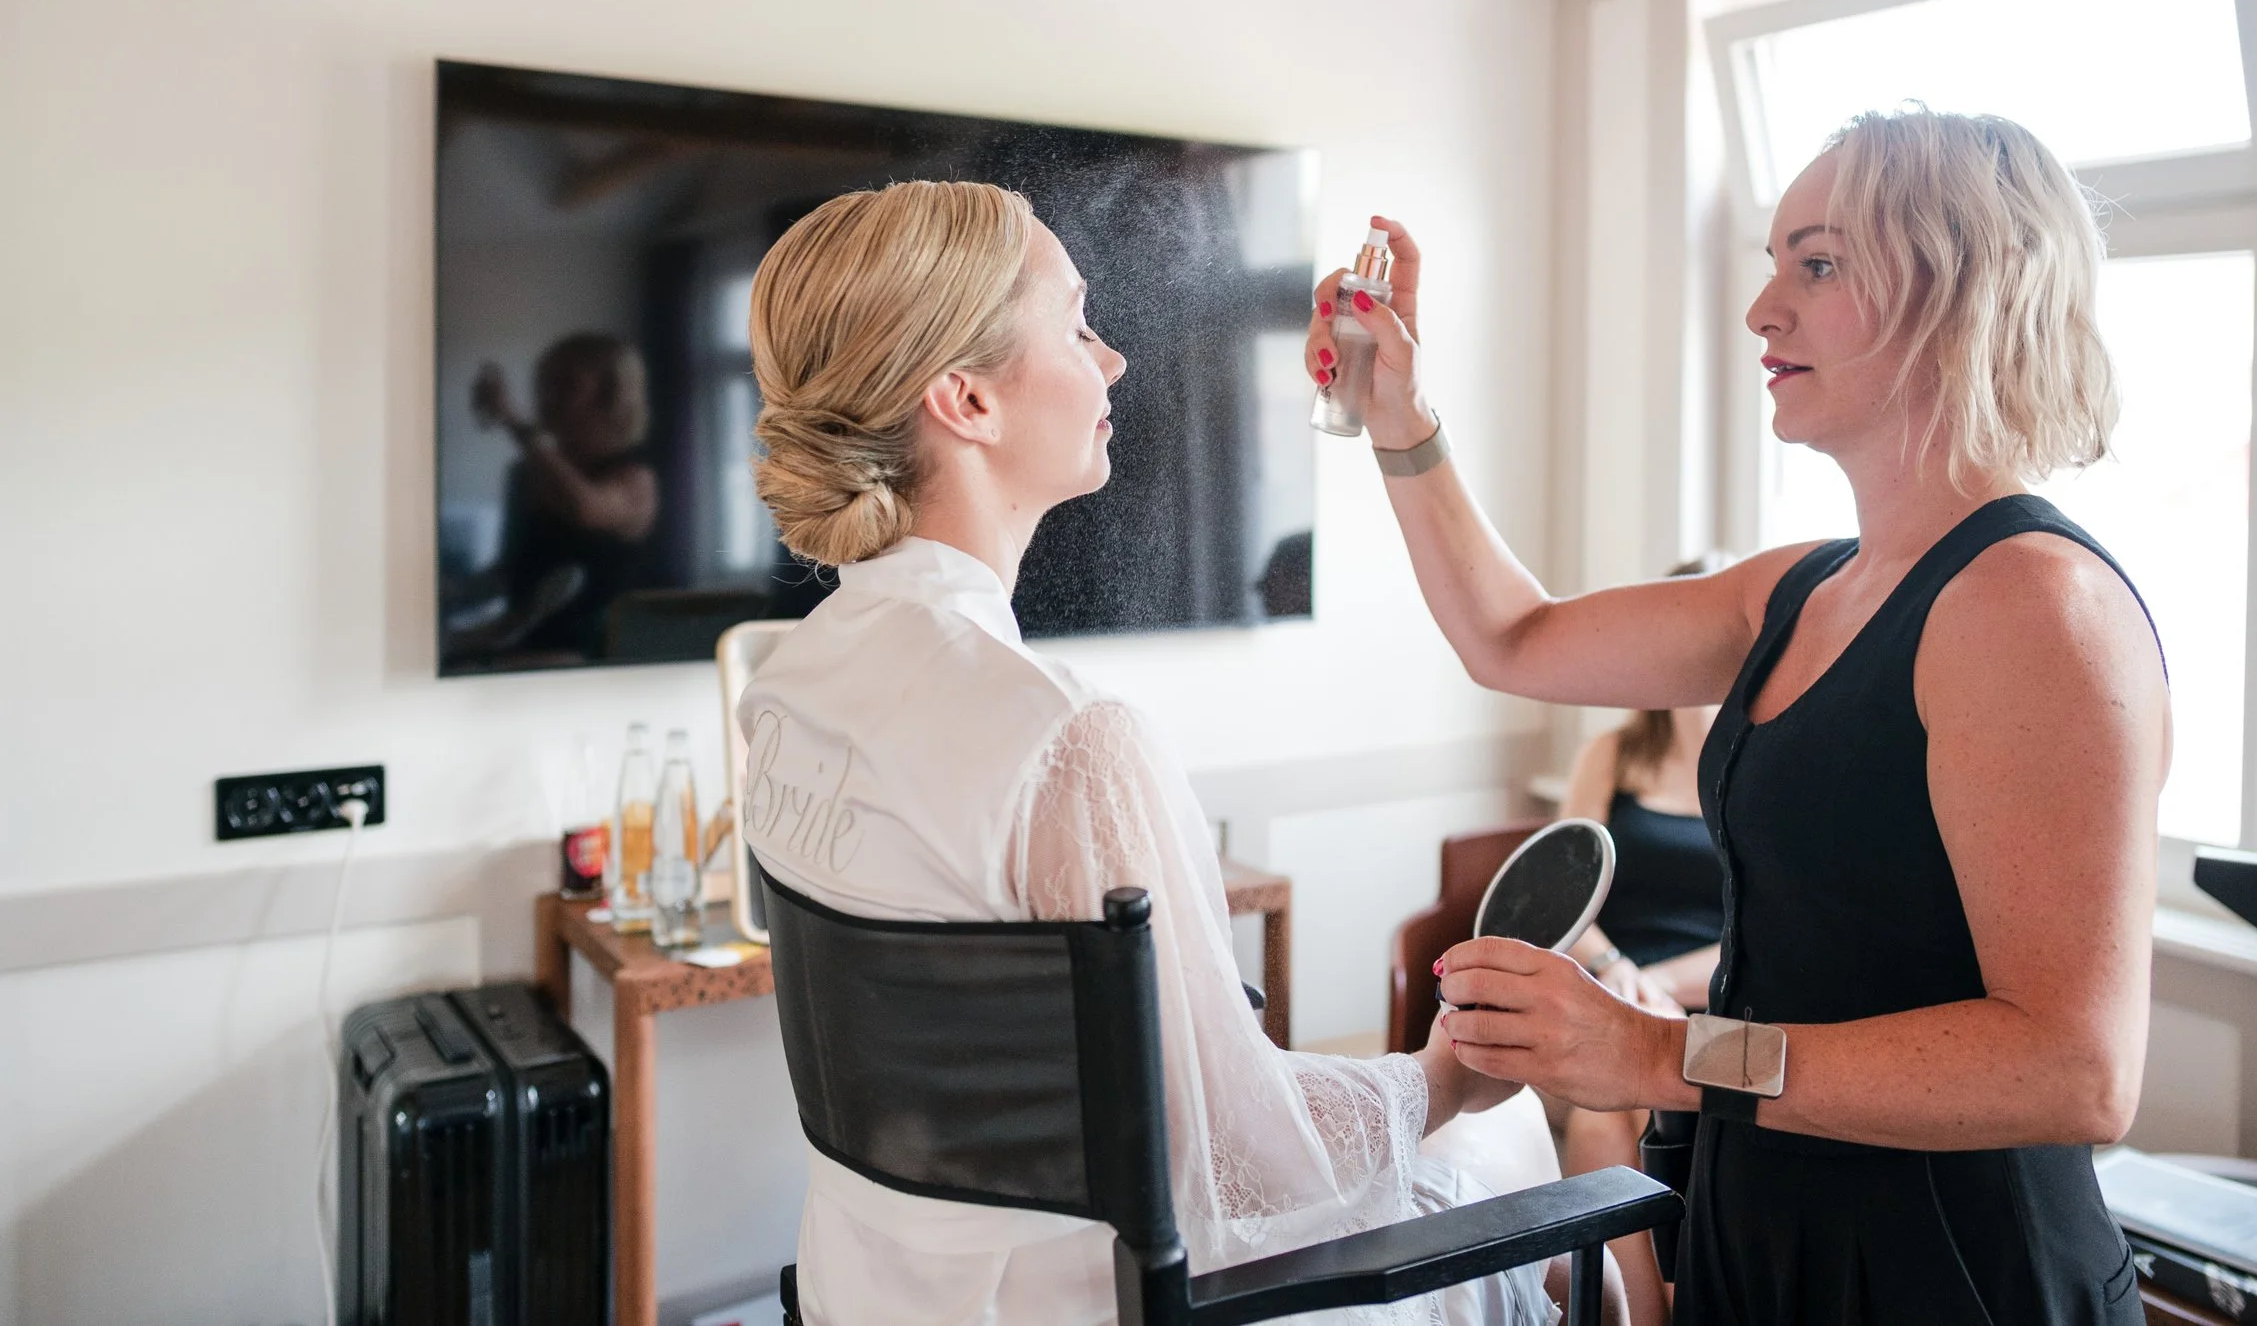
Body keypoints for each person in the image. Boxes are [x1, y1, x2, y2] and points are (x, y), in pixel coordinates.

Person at [1310, 109, 2170, 1325]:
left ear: (1960, 289)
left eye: (1815, 265)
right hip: (1761, 1219)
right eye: (1772, 262)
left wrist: (1662, 1054)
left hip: (1948, 1270)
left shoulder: (2034, 604)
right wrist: (1399, 413)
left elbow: (2075, 1069)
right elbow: (1511, 637)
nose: (1762, 308)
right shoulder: (1803, 585)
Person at [734, 181, 1591, 1326]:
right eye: (1078, 323)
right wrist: (1447, 1076)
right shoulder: (1067, 737)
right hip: (1094, 1303)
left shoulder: (783, 685)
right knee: (1518, 1142)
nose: (1116, 360)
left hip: (874, 1291)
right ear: (967, 397)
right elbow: (1242, 1155)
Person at [1550, 572, 1725, 1326]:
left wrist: (1649, 981)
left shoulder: (1759, 763)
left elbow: (1761, 931)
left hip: (1708, 1004)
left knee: (1623, 1095)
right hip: (1604, 984)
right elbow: (1565, 896)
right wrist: (1615, 970)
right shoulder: (1613, 753)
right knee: (1600, 1099)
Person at [462, 333, 659, 660]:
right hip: (525, 652)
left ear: (611, 396)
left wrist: (515, 424)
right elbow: (513, 572)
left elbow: (587, 509)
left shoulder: (636, 477)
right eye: (543, 383)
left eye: (567, 385)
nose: (546, 397)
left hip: (601, 662)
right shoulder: (525, 474)